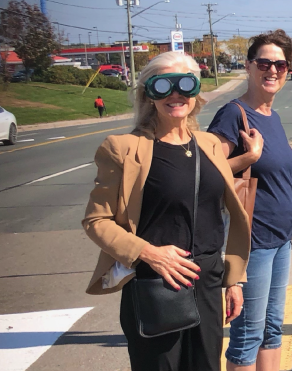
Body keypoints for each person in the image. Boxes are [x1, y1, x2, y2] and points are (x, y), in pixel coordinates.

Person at [82, 51, 251, 370]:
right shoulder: (123, 148)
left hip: (208, 282)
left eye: (185, 83)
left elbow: (219, 217)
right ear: (148, 93)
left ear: (197, 91)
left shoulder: (210, 145)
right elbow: (96, 220)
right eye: (163, 85)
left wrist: (233, 281)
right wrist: (149, 253)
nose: (176, 94)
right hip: (155, 286)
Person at [206, 29, 292, 371]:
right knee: (248, 334)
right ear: (248, 66)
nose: (272, 70)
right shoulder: (234, 115)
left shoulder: (271, 116)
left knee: (273, 331)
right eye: (264, 62)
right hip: (252, 243)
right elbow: (206, 175)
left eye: (280, 64)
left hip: (279, 239)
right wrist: (247, 158)